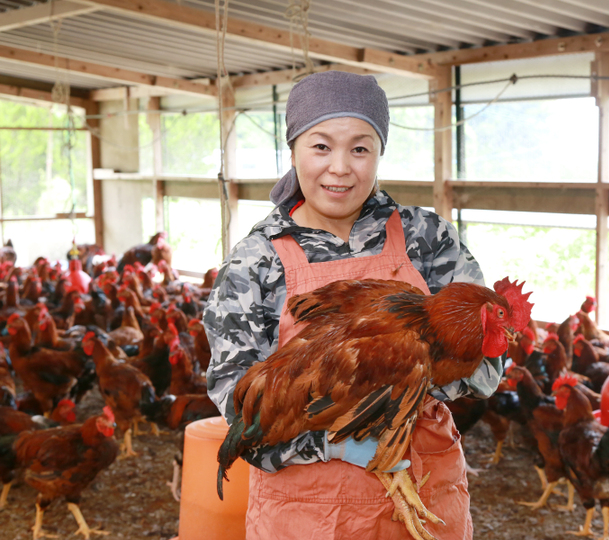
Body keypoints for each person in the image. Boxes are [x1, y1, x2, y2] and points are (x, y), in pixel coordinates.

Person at [203, 70, 503, 540]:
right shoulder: (256, 260)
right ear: (294, 149)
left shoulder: (427, 237)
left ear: (380, 153)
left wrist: (400, 374)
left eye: (360, 148)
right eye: (321, 146)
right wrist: (338, 441)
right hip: (309, 510)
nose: (340, 167)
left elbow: (487, 371)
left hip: (427, 495)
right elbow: (235, 397)